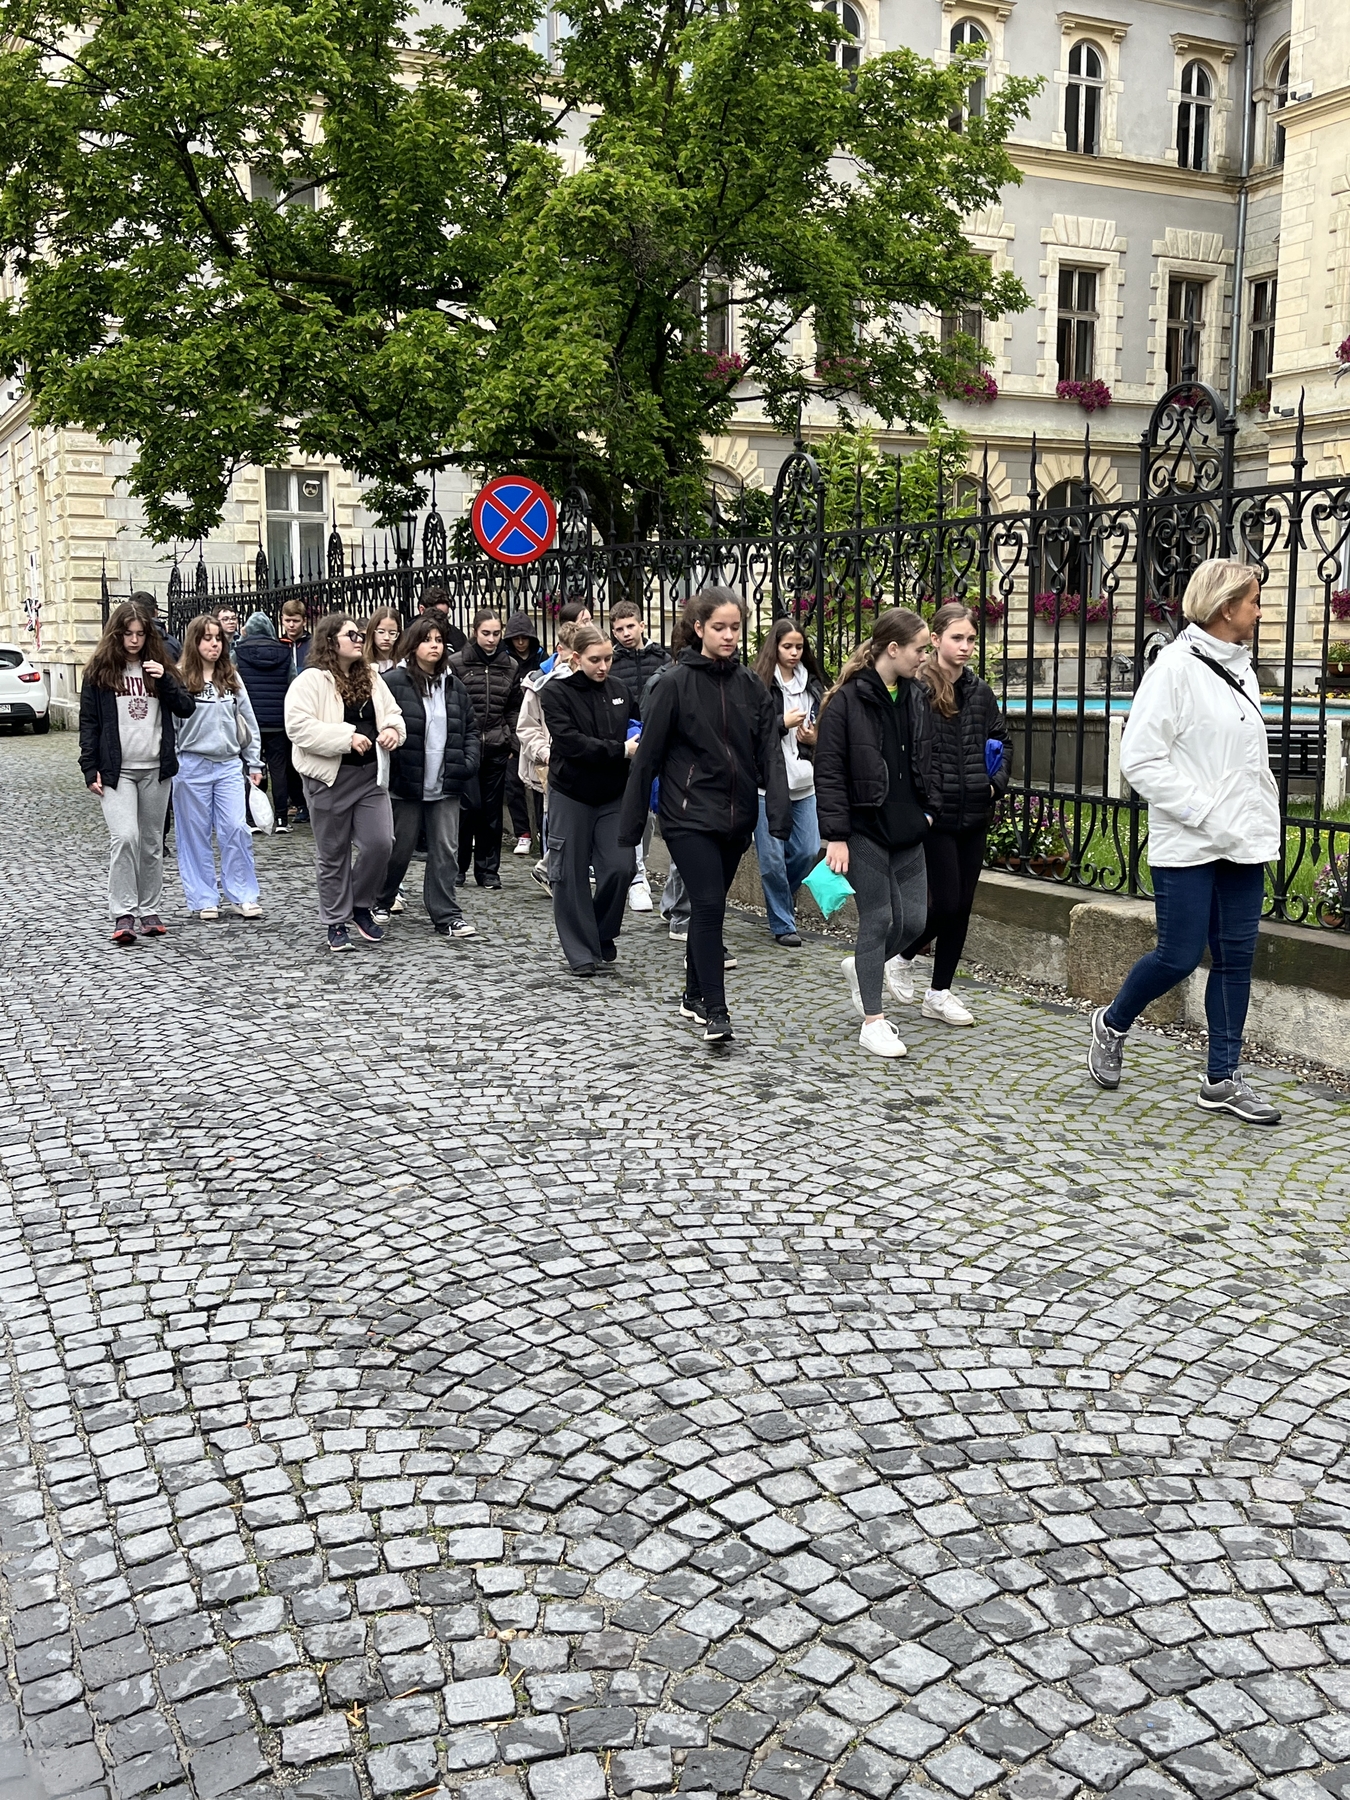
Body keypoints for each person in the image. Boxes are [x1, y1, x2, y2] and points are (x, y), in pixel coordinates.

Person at [1087, 559, 1283, 1124]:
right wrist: (1205, 811)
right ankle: (1112, 1023)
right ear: (1226, 607)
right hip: (1191, 841)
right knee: (1178, 955)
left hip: (1242, 841)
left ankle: (1222, 1079)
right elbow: (1140, 759)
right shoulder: (1174, 668)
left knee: (1236, 958)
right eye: (1253, 601)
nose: (1259, 611)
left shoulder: (1242, 668)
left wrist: (1250, 819)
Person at [622, 587, 790, 1041]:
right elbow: (648, 758)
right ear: (699, 628)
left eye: (735, 627)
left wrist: (777, 815)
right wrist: (631, 827)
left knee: (706, 907)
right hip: (687, 814)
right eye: (719, 627)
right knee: (712, 904)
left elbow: (769, 753)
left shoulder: (751, 686)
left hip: (736, 818)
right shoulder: (673, 684)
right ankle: (716, 1009)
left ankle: (693, 995)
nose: (729, 636)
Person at [814, 608, 933, 1059]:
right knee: (878, 920)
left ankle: (862, 965)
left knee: (914, 922)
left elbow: (930, 756)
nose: (924, 657)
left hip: (909, 827)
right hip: (864, 828)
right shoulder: (847, 701)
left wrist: (929, 812)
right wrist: (836, 836)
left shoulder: (916, 694)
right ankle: (873, 1023)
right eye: (920, 649)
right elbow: (829, 771)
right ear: (893, 649)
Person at [887, 603, 1011, 1024]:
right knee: (945, 903)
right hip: (935, 816)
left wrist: (994, 784)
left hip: (974, 812)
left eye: (971, 639)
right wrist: (923, 799)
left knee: (963, 906)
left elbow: (1002, 740)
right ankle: (900, 957)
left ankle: (939, 993)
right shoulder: (917, 690)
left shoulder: (980, 692)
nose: (965, 646)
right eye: (957, 638)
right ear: (936, 639)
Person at [284, 613, 405, 951]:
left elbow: (393, 713)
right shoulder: (310, 680)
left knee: (380, 843)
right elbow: (297, 727)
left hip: (370, 777)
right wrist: (345, 738)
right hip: (329, 779)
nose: (359, 639)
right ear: (330, 641)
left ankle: (360, 905)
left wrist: (392, 730)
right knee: (333, 853)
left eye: (360, 635)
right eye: (351, 635)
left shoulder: (372, 677)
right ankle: (336, 920)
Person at [78, 601, 196, 943]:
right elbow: (89, 723)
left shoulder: (161, 668)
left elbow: (186, 707)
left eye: (140, 634)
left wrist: (166, 680)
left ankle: (149, 909)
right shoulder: (100, 672)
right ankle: (123, 911)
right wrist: (89, 767)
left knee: (151, 842)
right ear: (116, 634)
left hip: (156, 768)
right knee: (125, 836)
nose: (134, 640)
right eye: (128, 634)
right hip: (117, 771)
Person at [375, 615, 480, 939]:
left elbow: (470, 728)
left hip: (446, 781)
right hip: (406, 781)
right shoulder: (393, 682)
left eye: (439, 640)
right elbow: (382, 723)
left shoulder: (454, 685)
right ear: (413, 645)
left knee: (446, 850)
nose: (434, 646)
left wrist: (467, 763)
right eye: (427, 640)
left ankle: (446, 914)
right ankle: (381, 899)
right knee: (399, 847)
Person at [541, 625, 638, 974]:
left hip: (612, 794)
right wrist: (620, 750)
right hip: (572, 792)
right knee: (569, 874)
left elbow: (638, 722)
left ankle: (600, 931)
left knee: (621, 867)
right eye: (595, 660)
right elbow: (571, 742)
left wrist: (637, 739)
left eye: (608, 658)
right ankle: (580, 951)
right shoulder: (555, 692)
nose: (603, 666)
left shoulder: (620, 689)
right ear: (575, 658)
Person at [172, 614, 266, 921]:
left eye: (218, 639)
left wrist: (254, 761)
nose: (214, 644)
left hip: (227, 765)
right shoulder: (180, 677)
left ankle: (243, 894)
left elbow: (247, 720)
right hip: (192, 765)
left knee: (236, 828)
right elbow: (170, 725)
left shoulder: (231, 676)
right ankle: (204, 897)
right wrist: (173, 762)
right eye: (207, 638)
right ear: (194, 642)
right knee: (194, 833)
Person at [752, 617, 824, 948]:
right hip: (768, 785)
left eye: (799, 647)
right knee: (771, 861)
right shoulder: (760, 684)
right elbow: (750, 732)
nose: (794, 653)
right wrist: (781, 722)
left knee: (807, 851)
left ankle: (781, 899)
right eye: (787, 647)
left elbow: (826, 729)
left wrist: (813, 738)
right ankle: (783, 923)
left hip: (804, 782)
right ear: (775, 648)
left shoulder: (813, 685)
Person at [450, 609, 523, 889]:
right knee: (468, 807)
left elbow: (514, 707)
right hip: (466, 747)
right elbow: (451, 705)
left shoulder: (510, 665)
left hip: (496, 744)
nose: (491, 639)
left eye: (496, 633)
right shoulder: (457, 663)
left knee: (492, 813)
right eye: (486, 633)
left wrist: (511, 740)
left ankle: (488, 870)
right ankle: (458, 866)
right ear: (475, 632)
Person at [610, 602, 671, 914]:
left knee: (655, 814)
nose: (625, 633)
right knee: (634, 809)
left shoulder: (661, 659)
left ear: (642, 625)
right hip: (628, 745)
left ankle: (646, 867)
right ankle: (638, 877)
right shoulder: (611, 662)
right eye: (619, 629)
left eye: (630, 626)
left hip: (660, 742)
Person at [516, 621, 582, 897]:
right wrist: (545, 752)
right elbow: (527, 727)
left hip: (579, 761)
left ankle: (555, 869)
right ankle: (552, 871)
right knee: (552, 817)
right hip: (549, 761)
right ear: (560, 650)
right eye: (573, 654)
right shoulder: (540, 683)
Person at [233, 612, 296, 830]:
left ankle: (252, 819)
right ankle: (281, 819)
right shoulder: (285, 652)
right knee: (279, 769)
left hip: (249, 721)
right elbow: (292, 683)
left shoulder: (238, 653)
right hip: (277, 720)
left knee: (249, 768)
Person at [505, 611, 547, 854]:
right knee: (513, 783)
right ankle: (523, 832)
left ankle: (541, 830)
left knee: (541, 784)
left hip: (537, 728)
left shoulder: (542, 660)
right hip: (514, 731)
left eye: (524, 638)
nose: (520, 643)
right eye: (516, 638)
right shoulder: (506, 661)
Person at [279, 599, 313, 823]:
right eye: (287, 620)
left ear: (304, 621)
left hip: (309, 703)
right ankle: (299, 802)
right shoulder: (279, 645)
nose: (291, 625)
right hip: (285, 704)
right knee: (290, 759)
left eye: (296, 621)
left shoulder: (311, 644)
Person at [540, 601, 593, 673]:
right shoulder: (547, 669)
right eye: (585, 621)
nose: (591, 626)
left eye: (591, 620)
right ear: (570, 626)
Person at [132, 590, 181, 660]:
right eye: (128, 633)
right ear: (156, 612)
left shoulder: (122, 642)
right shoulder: (171, 642)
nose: (134, 640)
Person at [419, 584, 467, 651]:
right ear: (422, 609)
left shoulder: (458, 636)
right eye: (436, 615)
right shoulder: (411, 635)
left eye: (445, 616)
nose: (442, 620)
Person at [365, 608, 402, 673]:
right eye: (381, 632)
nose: (387, 638)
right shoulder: (361, 663)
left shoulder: (403, 663)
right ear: (372, 632)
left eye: (392, 633)